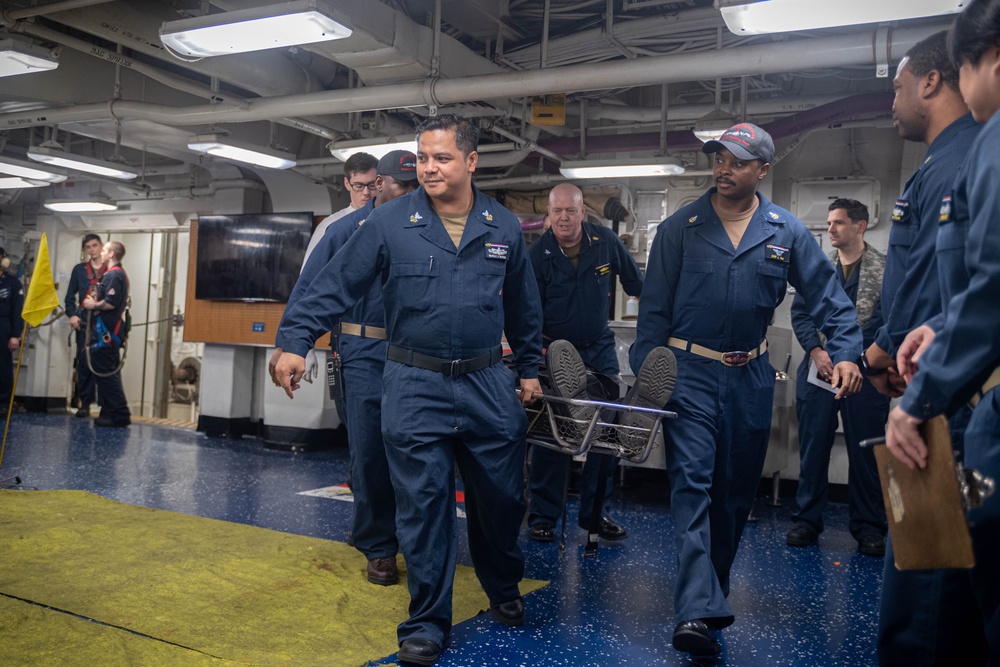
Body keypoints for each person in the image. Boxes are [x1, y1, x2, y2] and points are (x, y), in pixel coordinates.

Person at [274, 114, 542, 667]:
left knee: (501, 498)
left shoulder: (503, 225)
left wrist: (531, 367)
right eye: (422, 158)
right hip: (414, 381)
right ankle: (426, 621)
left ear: (471, 162)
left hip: (488, 381)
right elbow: (333, 284)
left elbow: (523, 306)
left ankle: (503, 584)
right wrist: (297, 340)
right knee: (422, 505)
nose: (429, 168)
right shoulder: (390, 222)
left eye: (441, 158)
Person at [630, 122, 864, 657]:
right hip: (688, 373)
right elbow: (652, 319)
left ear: (762, 169)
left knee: (734, 497)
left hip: (751, 379)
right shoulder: (679, 228)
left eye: (736, 162)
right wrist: (651, 381)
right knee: (692, 488)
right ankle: (693, 610)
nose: (723, 169)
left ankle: (708, 600)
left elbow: (829, 300)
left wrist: (847, 352)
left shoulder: (785, 231)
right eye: (718, 159)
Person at [861, 32, 986, 666]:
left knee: (925, 580)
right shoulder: (942, 161)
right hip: (931, 377)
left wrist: (889, 353)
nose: (894, 102)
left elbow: (952, 285)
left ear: (933, 82)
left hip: (943, 398)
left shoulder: (967, 158)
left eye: (899, 86)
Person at [271, 150, 419, 587]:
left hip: (415, 356)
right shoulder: (342, 230)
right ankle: (379, 547)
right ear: (377, 186)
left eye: (413, 188)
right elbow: (311, 289)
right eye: (397, 186)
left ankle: (409, 538)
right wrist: (290, 346)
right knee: (370, 452)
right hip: (362, 352)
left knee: (413, 450)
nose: (406, 195)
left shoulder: (424, 228)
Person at [526, 183, 643, 543]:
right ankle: (543, 517)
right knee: (554, 436)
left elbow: (638, 285)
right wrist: (528, 365)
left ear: (582, 212)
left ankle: (595, 515)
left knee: (606, 435)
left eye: (571, 211)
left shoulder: (605, 241)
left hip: (598, 350)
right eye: (557, 211)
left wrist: (658, 328)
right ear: (548, 214)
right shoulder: (536, 255)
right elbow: (526, 315)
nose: (564, 217)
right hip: (554, 355)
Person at [787, 199, 889, 556]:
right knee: (814, 447)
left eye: (839, 223)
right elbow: (800, 314)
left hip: (866, 374)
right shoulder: (818, 269)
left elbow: (889, 323)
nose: (830, 229)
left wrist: (861, 361)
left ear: (860, 226)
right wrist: (816, 351)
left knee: (866, 451)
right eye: (829, 223)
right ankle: (806, 521)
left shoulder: (885, 269)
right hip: (819, 371)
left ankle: (869, 527)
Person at [81, 241, 130, 428]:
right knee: (105, 374)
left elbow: (109, 303)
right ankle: (110, 412)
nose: (100, 253)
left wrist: (93, 305)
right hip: (103, 331)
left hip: (106, 332)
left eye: (103, 250)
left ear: (111, 255)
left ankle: (119, 414)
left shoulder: (115, 275)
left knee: (107, 375)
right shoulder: (111, 275)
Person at [302, 152, 379, 265]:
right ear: (347, 184)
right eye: (358, 186)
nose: (366, 193)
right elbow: (309, 275)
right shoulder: (329, 226)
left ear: (380, 182)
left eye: (372, 185)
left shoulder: (388, 221)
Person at [64, 234, 105, 418]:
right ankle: (84, 404)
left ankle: (105, 405)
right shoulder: (80, 270)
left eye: (94, 245)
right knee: (84, 364)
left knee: (104, 365)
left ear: (101, 246)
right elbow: (69, 297)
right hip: (83, 322)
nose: (92, 249)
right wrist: (72, 314)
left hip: (104, 324)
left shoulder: (111, 270)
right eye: (88, 247)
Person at [0, 247, 24, 412]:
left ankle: (3, 403)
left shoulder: (13, 283)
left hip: (3, 327)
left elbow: (17, 311)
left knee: (3, 368)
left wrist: (16, 335)